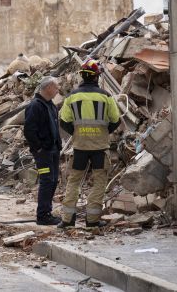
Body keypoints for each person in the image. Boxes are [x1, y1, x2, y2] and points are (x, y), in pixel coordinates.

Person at [57, 59, 121, 229]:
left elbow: (63, 122)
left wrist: (77, 133)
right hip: (100, 148)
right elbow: (115, 120)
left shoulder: (71, 97)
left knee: (74, 181)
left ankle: (67, 220)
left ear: (82, 77)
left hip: (80, 148)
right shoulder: (106, 97)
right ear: (96, 77)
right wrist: (102, 133)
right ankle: (92, 221)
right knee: (99, 182)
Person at [24, 76, 62, 225]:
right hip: (44, 152)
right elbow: (29, 130)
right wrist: (39, 148)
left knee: (53, 181)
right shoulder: (35, 105)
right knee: (47, 180)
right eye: (56, 87)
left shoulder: (50, 105)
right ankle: (43, 215)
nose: (58, 90)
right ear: (48, 87)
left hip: (53, 150)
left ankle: (47, 212)